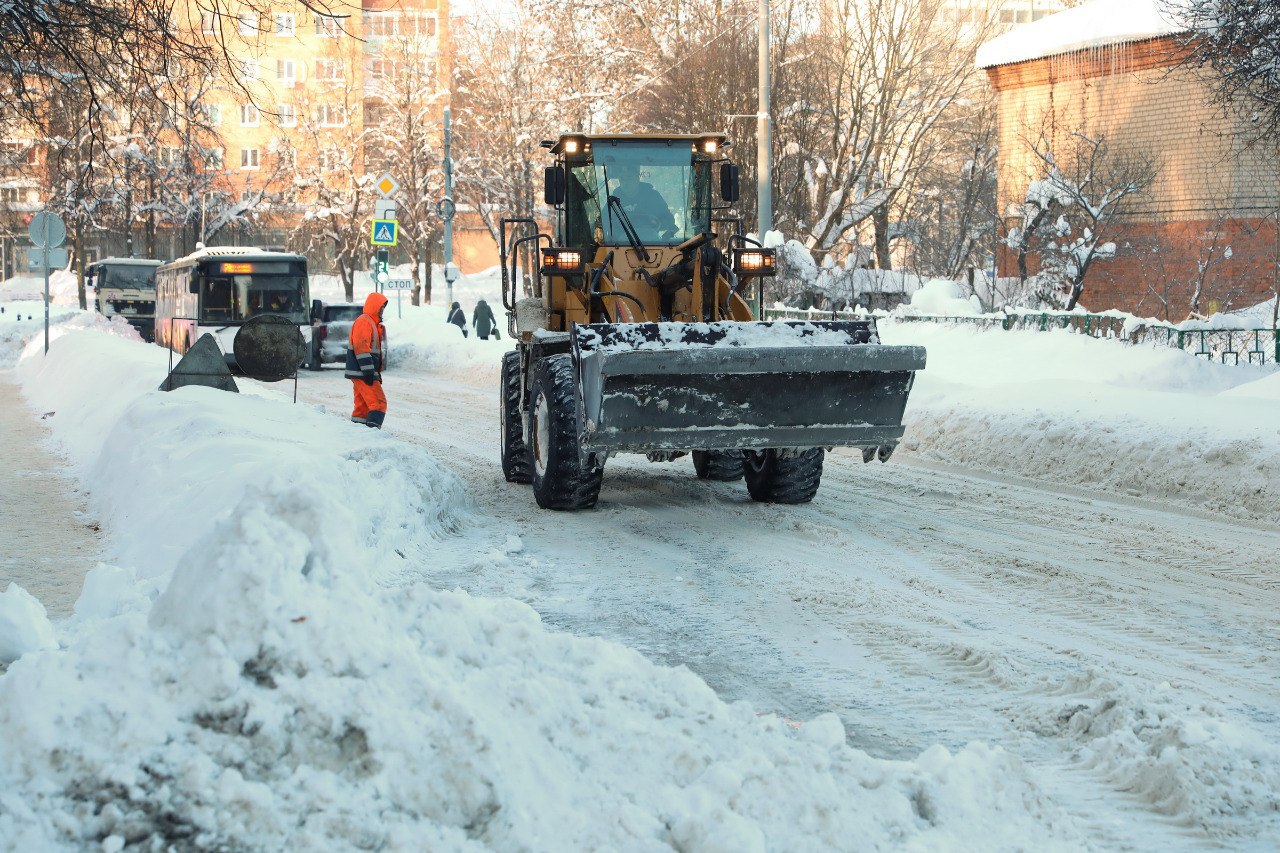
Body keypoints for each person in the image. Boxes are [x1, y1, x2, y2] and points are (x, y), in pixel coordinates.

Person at [345, 292, 389, 428]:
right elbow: (361, 347)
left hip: (362, 372)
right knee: (379, 403)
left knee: (362, 408)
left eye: (383, 308)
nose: (382, 310)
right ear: (375, 306)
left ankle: (358, 433)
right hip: (364, 373)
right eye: (381, 307)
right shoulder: (365, 321)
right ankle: (372, 434)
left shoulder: (371, 323)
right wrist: (369, 371)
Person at [608, 164, 676, 238]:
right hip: (620, 245)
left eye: (629, 177)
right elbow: (605, 221)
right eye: (622, 179)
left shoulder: (652, 196)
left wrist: (660, 223)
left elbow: (668, 218)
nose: (625, 182)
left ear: (637, 178)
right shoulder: (614, 200)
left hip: (653, 243)